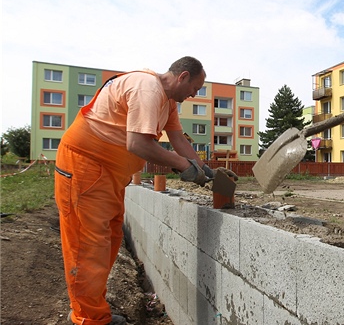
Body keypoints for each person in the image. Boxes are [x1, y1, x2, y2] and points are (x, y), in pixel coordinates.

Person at [54, 56, 238, 325]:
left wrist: (205, 170)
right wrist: (180, 166)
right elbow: (137, 144)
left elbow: (177, 140)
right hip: (85, 167)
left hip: (109, 174)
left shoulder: (168, 103)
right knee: (88, 247)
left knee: (108, 242)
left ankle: (92, 310)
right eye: (195, 88)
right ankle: (88, 319)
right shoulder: (147, 89)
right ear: (182, 76)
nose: (194, 94)